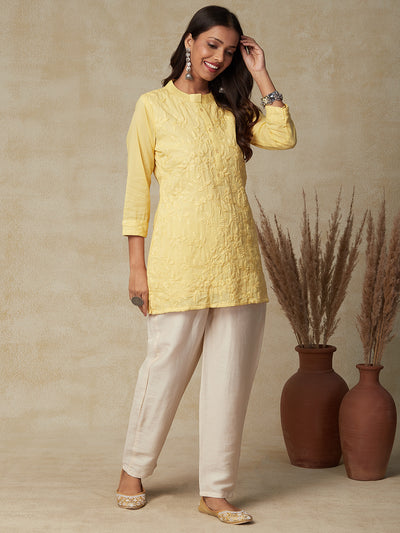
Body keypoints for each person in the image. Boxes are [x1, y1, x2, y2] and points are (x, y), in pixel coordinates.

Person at [117, 5, 296, 525]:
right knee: (163, 372)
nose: (219, 57)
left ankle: (215, 491)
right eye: (212, 44)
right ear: (190, 42)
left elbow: (283, 136)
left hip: (238, 266)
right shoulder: (152, 106)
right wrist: (136, 268)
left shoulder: (231, 109)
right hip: (178, 265)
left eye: (229, 50)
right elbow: (136, 192)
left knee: (229, 384)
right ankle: (133, 470)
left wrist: (262, 75)